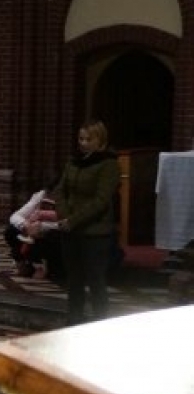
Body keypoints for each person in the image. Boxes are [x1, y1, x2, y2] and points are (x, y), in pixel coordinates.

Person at [54, 120, 120, 324]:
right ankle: (74, 321)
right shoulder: (74, 161)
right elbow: (60, 190)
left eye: (88, 139)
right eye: (81, 138)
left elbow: (101, 200)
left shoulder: (108, 164)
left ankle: (100, 323)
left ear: (100, 140)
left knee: (95, 280)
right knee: (74, 280)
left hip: (95, 232)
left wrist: (73, 220)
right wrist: (64, 215)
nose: (83, 143)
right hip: (70, 230)